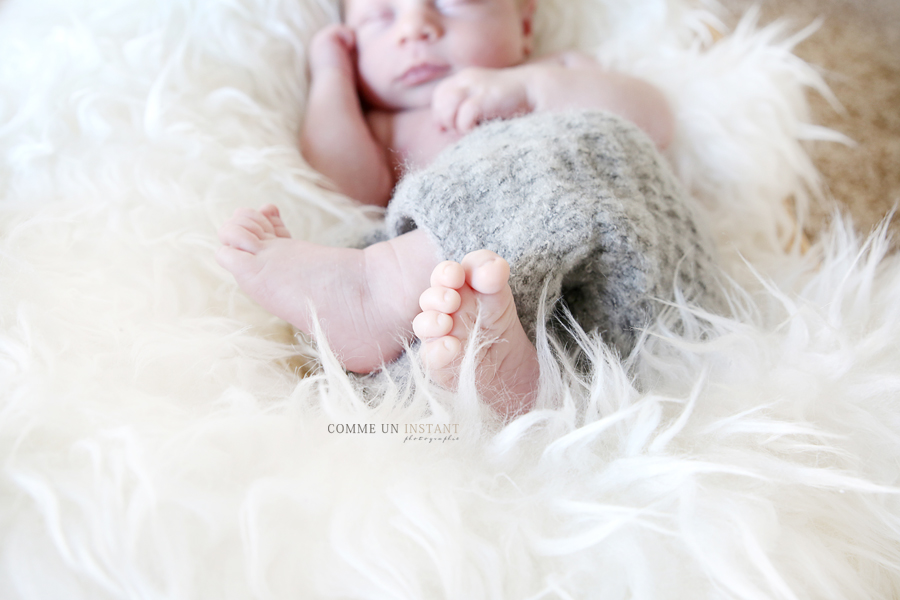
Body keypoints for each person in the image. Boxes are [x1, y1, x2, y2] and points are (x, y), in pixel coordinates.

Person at [216, 0, 719, 416]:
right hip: (482, 314)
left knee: (589, 145)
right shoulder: (390, 127)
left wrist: (529, 90)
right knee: (435, 324)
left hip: (623, 280)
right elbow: (343, 185)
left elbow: (650, 121)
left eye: (452, 5)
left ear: (524, 25)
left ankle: (378, 286)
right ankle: (510, 380)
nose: (416, 28)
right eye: (380, 18)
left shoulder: (553, 75)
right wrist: (331, 77)